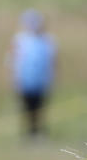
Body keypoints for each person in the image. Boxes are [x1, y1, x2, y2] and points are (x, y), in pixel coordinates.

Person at [7, 9, 57, 137]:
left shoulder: (47, 40)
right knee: (26, 109)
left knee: (40, 108)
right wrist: (14, 79)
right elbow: (12, 60)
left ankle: (39, 133)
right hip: (24, 81)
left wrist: (52, 79)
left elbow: (52, 61)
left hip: (41, 81)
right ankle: (28, 133)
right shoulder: (19, 40)